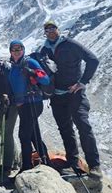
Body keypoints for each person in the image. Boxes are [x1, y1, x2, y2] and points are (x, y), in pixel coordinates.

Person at [39, 20, 102, 179]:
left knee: (83, 125)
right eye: (47, 29)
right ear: (45, 33)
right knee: (65, 129)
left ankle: (94, 165)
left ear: (58, 29)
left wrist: (82, 82)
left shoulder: (70, 44)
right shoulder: (45, 49)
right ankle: (73, 162)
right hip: (57, 96)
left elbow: (93, 60)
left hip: (75, 94)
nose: (51, 31)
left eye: (53, 28)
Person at [8, 40, 50, 172]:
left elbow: (46, 80)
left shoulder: (30, 62)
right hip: (22, 105)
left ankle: (26, 167)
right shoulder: (13, 66)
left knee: (24, 135)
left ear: (23, 49)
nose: (16, 51)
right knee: (33, 134)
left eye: (19, 48)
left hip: (33, 102)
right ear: (10, 51)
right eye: (14, 49)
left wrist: (33, 73)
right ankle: (47, 162)